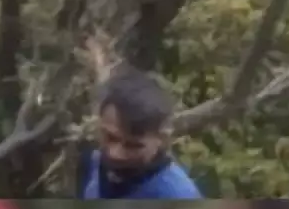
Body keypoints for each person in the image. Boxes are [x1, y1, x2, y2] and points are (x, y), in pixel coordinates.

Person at [80, 67, 202, 199]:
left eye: (133, 146)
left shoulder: (177, 196)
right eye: (110, 137)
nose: (114, 153)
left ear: (162, 139)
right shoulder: (95, 160)